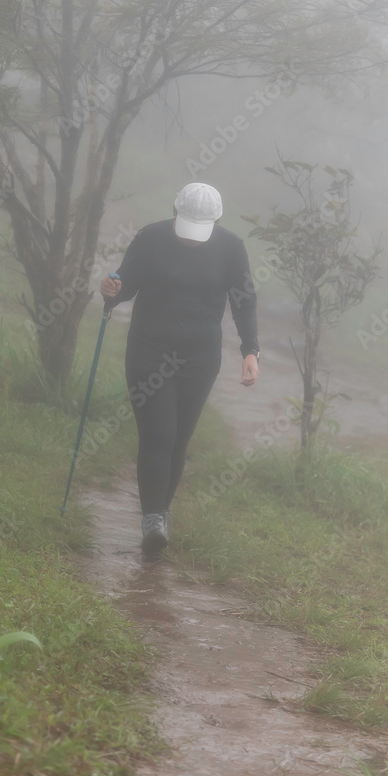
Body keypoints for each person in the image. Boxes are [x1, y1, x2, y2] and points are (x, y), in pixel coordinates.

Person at [100, 182, 260, 558]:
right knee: (158, 436)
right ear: (175, 212)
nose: (191, 239)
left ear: (216, 221)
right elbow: (125, 285)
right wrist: (111, 290)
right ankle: (153, 519)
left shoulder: (231, 248)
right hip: (149, 351)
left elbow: (244, 300)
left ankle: (161, 514)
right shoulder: (151, 238)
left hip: (200, 357)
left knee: (179, 440)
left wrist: (250, 350)